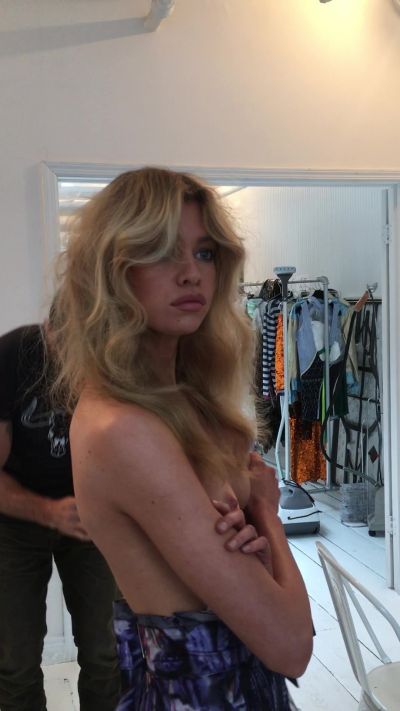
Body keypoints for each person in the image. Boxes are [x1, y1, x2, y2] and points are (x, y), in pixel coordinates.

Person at [51, 167, 313, 710]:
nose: (192, 274)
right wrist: (267, 515)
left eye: (205, 253)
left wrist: (258, 543)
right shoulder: (125, 428)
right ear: (111, 270)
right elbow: (292, 647)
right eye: (162, 252)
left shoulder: (182, 405)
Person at [0, 321, 121, 711]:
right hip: (15, 522)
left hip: (91, 518)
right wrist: (48, 511)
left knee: (105, 652)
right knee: (16, 662)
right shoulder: (11, 356)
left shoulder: (117, 359)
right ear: (52, 332)